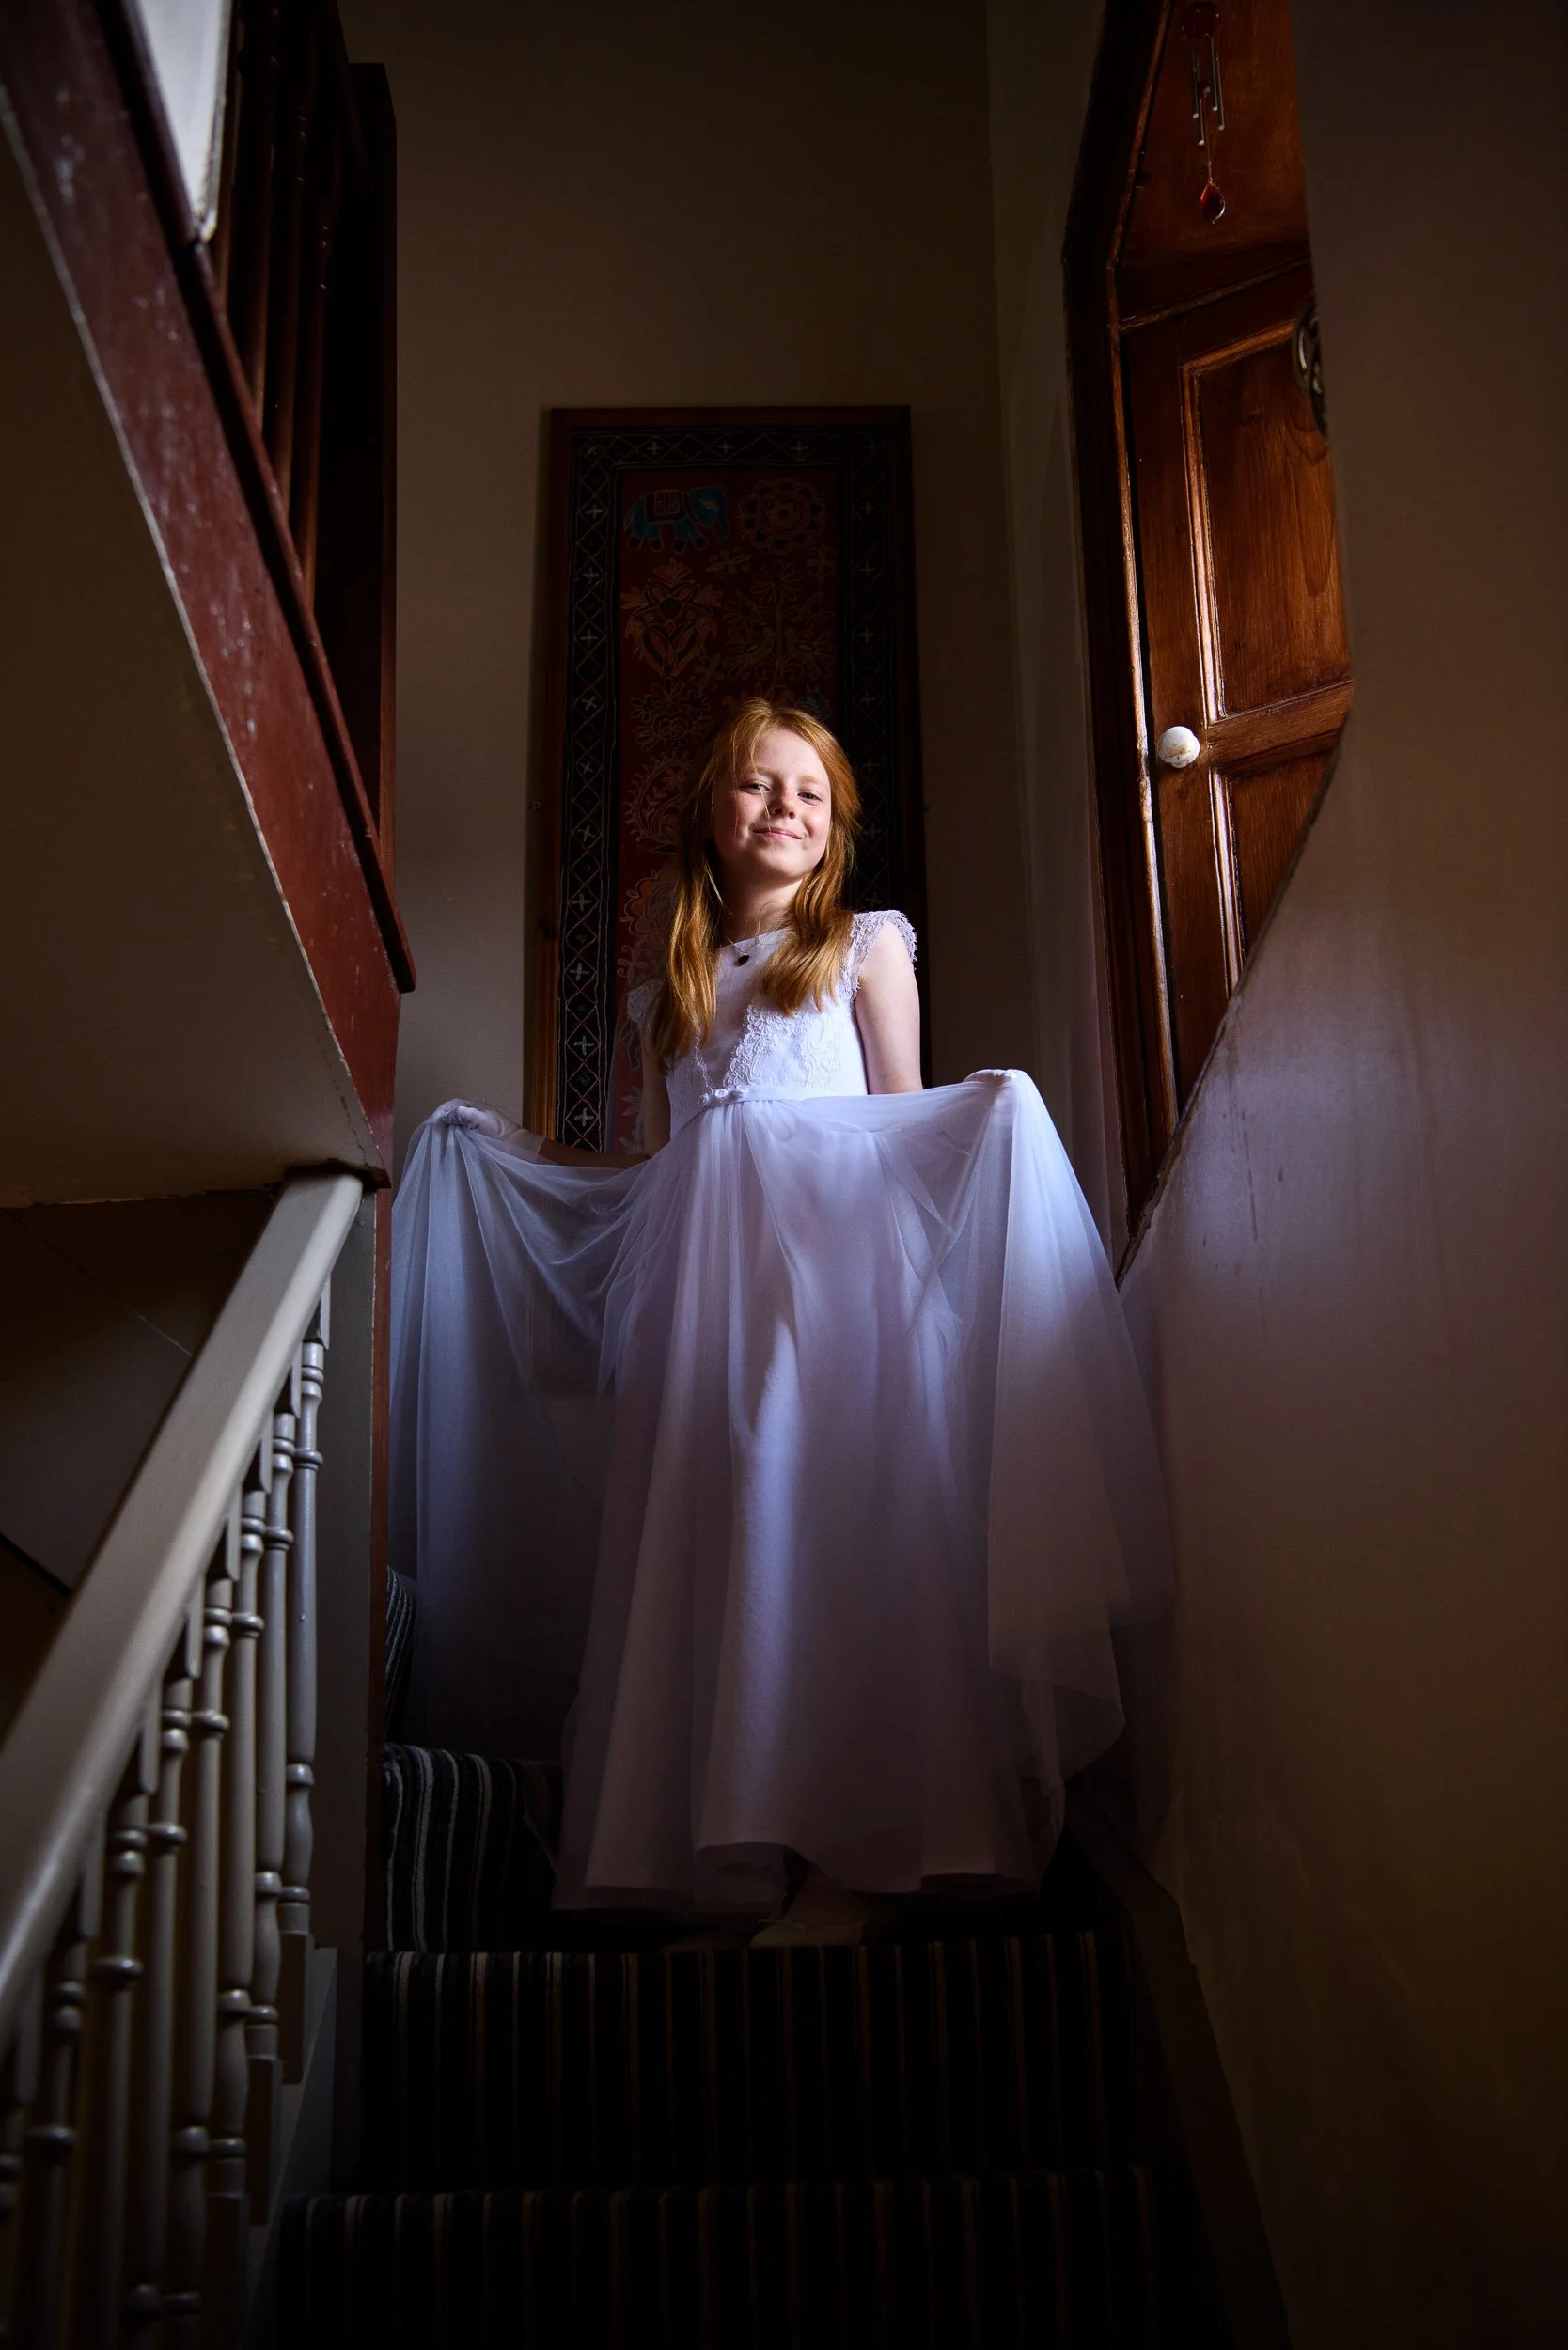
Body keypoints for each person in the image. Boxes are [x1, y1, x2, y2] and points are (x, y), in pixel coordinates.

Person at [390, 698, 1170, 1943]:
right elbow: (661, 1170)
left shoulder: (863, 948)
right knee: (729, 1546)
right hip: (709, 1319)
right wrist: (515, 1152)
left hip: (836, 1297)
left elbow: (900, 1121)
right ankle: (731, 1851)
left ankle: (857, 1857)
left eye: (810, 793)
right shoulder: (672, 998)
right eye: (759, 787)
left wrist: (986, 1108)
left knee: (840, 1545)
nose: (786, 809)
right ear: (712, 811)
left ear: (837, 825)